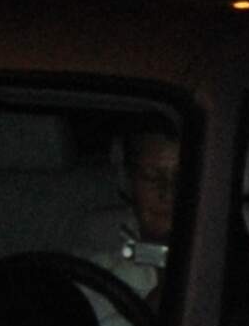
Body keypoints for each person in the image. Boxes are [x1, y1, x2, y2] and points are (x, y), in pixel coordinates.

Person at [63, 123, 183, 301]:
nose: (167, 193)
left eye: (181, 178)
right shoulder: (94, 276)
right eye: (151, 176)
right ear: (128, 181)